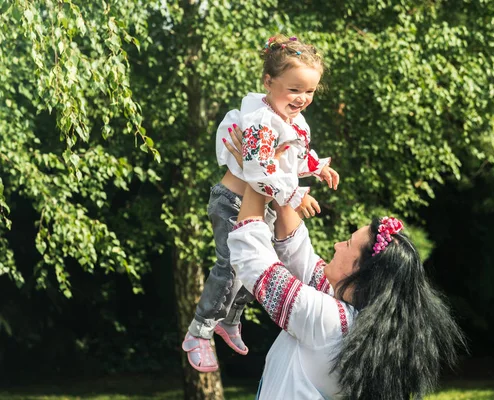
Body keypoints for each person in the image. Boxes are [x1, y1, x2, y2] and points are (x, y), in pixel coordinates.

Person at [222, 127, 465, 399]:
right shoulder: (350, 317)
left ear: (359, 271)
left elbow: (255, 260)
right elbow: (298, 252)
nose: (337, 246)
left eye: (347, 244)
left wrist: (259, 174)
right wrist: (277, 178)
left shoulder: (330, 324)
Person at [181, 33, 339, 372]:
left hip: (259, 204)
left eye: (309, 91)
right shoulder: (260, 120)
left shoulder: (290, 120)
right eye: (294, 89)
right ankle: (200, 331)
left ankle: (229, 320)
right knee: (229, 267)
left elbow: (293, 157)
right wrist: (296, 194)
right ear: (268, 81)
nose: (302, 99)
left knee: (258, 268)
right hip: (231, 202)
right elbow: (258, 167)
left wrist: (319, 168)